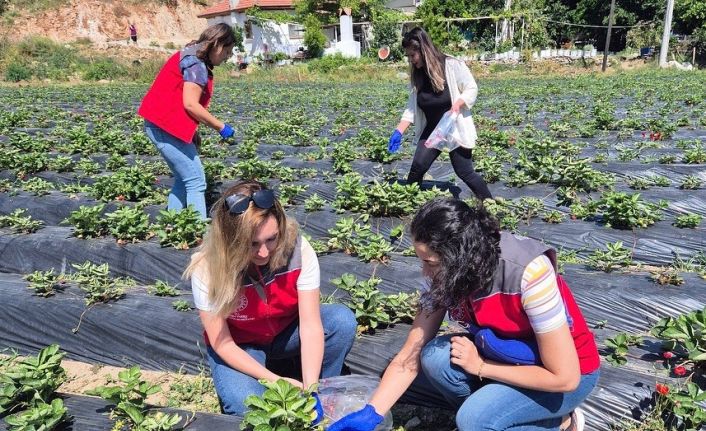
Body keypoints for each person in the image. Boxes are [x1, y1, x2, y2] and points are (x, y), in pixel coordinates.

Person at [329, 198, 600, 431]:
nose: (424, 272)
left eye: (430, 263)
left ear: (460, 259)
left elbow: (565, 377)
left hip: (563, 376)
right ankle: (497, 412)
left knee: (472, 420)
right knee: (434, 357)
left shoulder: (529, 272)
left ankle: (564, 423)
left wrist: (482, 368)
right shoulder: (443, 277)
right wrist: (372, 412)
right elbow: (411, 352)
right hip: (505, 356)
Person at [183, 180, 357, 418]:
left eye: (271, 239)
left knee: (340, 321)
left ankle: (323, 392)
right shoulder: (208, 267)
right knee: (245, 403)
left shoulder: (298, 250)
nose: (264, 252)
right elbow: (222, 342)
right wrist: (276, 382)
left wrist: (311, 388)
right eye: (252, 244)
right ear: (231, 239)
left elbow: (310, 325)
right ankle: (272, 376)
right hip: (241, 345)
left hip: (286, 333)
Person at [138, 23, 237, 219]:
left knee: (184, 179)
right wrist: (221, 127)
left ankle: (173, 222)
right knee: (196, 181)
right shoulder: (195, 64)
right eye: (227, 51)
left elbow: (183, 104)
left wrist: (192, 133)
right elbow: (191, 104)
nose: (228, 56)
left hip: (164, 125)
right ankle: (198, 232)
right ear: (217, 44)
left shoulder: (192, 56)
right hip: (163, 126)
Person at [388, 27, 492, 201]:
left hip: (453, 126)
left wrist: (458, 104)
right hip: (434, 129)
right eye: (408, 56)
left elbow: (471, 87)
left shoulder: (451, 65)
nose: (411, 60)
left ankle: (490, 205)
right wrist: (399, 131)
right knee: (417, 168)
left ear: (423, 50)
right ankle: (410, 205)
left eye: (412, 55)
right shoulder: (418, 76)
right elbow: (412, 108)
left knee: (464, 171)